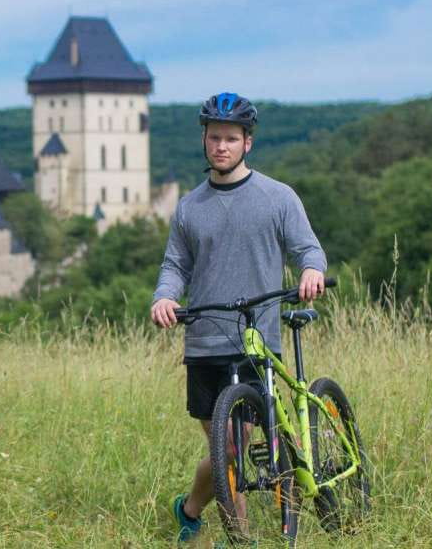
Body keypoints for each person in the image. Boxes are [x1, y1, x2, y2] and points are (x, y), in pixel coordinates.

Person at [150, 92, 327, 542]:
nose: (221, 146)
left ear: (247, 142)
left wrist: (311, 270)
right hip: (205, 341)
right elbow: (175, 266)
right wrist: (164, 297)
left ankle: (202, 516)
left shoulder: (278, 197)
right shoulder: (190, 206)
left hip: (257, 341)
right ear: (205, 141)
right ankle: (223, 527)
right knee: (225, 450)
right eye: (214, 138)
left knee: (234, 445)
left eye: (231, 138)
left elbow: (309, 249)